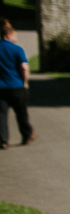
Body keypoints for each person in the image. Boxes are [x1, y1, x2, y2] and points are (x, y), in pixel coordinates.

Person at [0, 19, 33, 150]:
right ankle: (27, 134)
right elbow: (24, 67)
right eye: (15, 35)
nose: (16, 38)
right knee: (21, 114)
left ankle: (3, 140)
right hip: (17, 86)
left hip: (1, 88)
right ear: (8, 35)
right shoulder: (17, 49)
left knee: (1, 116)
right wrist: (25, 83)